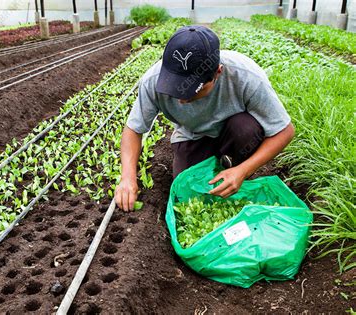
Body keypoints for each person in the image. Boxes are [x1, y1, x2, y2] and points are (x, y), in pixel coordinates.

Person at [115, 25, 295, 211]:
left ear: (218, 72)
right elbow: (133, 130)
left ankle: (233, 166)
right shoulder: (152, 81)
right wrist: (128, 177)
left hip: (234, 134)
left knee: (246, 128)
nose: (182, 99)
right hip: (192, 136)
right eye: (175, 88)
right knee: (188, 196)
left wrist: (243, 170)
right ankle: (215, 166)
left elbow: (285, 131)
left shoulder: (246, 76)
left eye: (194, 91)